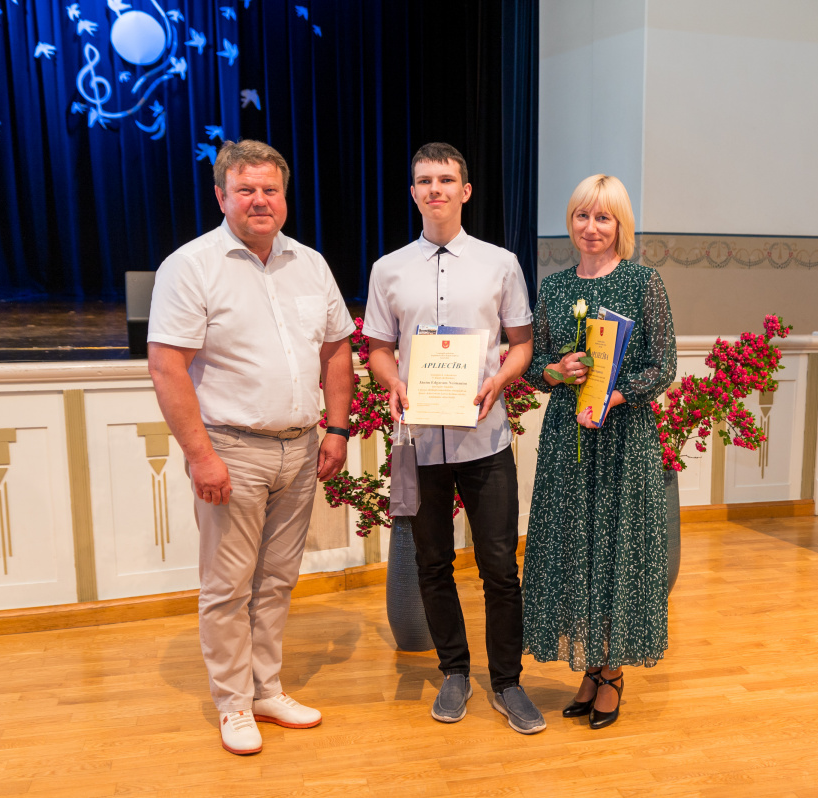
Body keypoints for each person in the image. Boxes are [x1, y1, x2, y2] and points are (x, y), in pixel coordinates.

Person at [147, 140, 356, 756]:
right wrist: (200, 456)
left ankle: (266, 689)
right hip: (230, 451)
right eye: (246, 190)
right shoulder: (191, 266)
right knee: (228, 586)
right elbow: (166, 366)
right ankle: (233, 703)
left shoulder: (310, 264)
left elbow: (336, 349)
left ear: (284, 197)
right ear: (221, 196)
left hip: (302, 448)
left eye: (270, 190)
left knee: (277, 581)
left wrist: (337, 429)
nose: (259, 200)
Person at [362, 142, 544, 734]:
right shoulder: (388, 269)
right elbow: (378, 349)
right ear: (413, 192)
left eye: (445, 179)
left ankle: (508, 682)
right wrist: (392, 382)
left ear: (465, 191)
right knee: (433, 564)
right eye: (424, 180)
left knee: (499, 567)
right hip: (420, 442)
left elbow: (521, 344)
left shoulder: (500, 263)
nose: (434, 189)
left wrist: (500, 380)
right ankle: (455, 673)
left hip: (485, 440)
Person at [521, 174, 677, 730]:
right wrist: (555, 371)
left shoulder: (644, 282)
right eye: (583, 215)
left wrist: (617, 394)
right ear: (571, 221)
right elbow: (534, 367)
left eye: (603, 217)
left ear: (620, 225)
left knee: (616, 547)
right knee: (574, 547)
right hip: (568, 437)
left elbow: (663, 365)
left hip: (623, 437)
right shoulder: (555, 288)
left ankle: (611, 673)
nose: (591, 227)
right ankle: (589, 667)